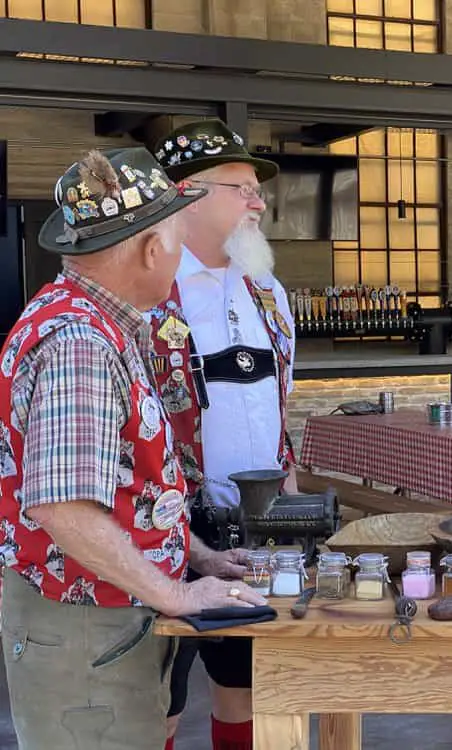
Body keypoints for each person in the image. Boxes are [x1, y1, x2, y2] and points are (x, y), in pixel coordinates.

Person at [0, 147, 267, 750]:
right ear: (152, 248)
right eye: (174, 233)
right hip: (87, 635)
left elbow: (128, 487)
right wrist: (174, 592)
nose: (177, 250)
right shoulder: (81, 343)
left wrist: (194, 554)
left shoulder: (99, 323)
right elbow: (63, 507)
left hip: (102, 625)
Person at [149, 119, 297, 750]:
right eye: (241, 187)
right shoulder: (151, 292)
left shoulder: (268, 290)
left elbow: (277, 410)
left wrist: (292, 509)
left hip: (260, 525)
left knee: (252, 689)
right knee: (159, 699)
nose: (258, 202)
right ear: (189, 193)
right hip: (167, 528)